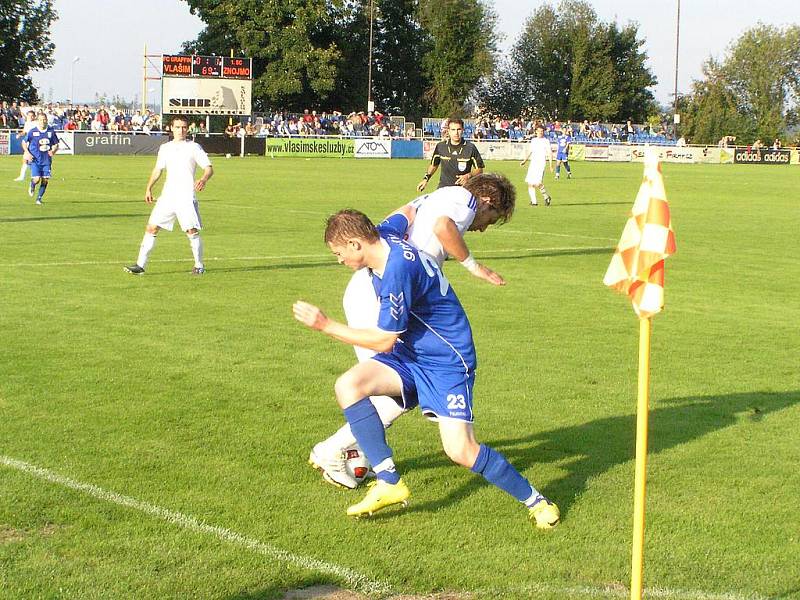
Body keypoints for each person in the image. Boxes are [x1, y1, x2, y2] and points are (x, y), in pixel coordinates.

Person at [293, 209, 560, 530]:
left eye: (339, 253)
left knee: (461, 450)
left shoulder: (396, 271)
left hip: (445, 362)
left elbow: (383, 341)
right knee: (349, 385)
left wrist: (325, 325)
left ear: (355, 244)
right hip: (412, 355)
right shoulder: (384, 234)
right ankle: (389, 481)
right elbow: (408, 212)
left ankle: (537, 502)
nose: (339, 260)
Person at [308, 173, 516, 489]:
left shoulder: (439, 196)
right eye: (492, 218)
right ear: (487, 202)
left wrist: (380, 243)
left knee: (406, 389)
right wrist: (476, 267)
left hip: (383, 292)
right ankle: (335, 452)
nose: (484, 226)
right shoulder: (466, 201)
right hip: (380, 297)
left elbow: (406, 211)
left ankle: (346, 449)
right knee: (394, 387)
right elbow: (443, 227)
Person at [124, 115, 213, 276]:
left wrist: (203, 179)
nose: (181, 130)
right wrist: (149, 188)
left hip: (185, 197)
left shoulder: (194, 147)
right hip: (167, 196)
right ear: (171, 128)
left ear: (188, 128)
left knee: (191, 231)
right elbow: (158, 169)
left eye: (184, 127)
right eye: (178, 127)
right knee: (151, 227)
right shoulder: (165, 148)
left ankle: (199, 265)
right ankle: (140, 265)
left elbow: (208, 168)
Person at [418, 117, 484, 191]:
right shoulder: (440, 146)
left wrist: (468, 175)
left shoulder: (471, 148)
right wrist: (425, 179)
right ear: (448, 131)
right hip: (443, 189)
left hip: (463, 190)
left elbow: (479, 169)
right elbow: (434, 165)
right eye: (453, 130)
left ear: (463, 130)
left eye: (458, 129)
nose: (456, 133)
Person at [21, 113, 60, 205]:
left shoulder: (51, 131)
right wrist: (27, 152)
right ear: (38, 121)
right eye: (41, 120)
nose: (43, 121)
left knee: (45, 180)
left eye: (44, 119)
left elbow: (56, 144)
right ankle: (32, 184)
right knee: (37, 179)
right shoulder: (32, 131)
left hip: (46, 160)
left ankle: (39, 199)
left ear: (46, 120)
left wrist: (53, 151)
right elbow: (23, 142)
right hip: (35, 160)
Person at [519, 124, 553, 206]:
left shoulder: (546, 141)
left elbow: (549, 153)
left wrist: (551, 165)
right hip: (533, 163)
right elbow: (530, 151)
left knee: (538, 183)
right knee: (530, 183)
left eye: (542, 131)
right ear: (536, 132)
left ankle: (546, 196)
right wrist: (525, 161)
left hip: (541, 163)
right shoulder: (533, 140)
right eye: (539, 131)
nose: (540, 132)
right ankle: (534, 202)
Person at [13, 110, 38, 182]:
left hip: (34, 144)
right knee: (26, 160)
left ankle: (35, 175)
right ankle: (23, 176)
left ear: (34, 116)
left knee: (29, 160)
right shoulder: (27, 123)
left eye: (31, 116)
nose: (30, 117)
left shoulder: (36, 123)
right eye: (29, 116)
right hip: (28, 143)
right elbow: (25, 132)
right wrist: (19, 134)